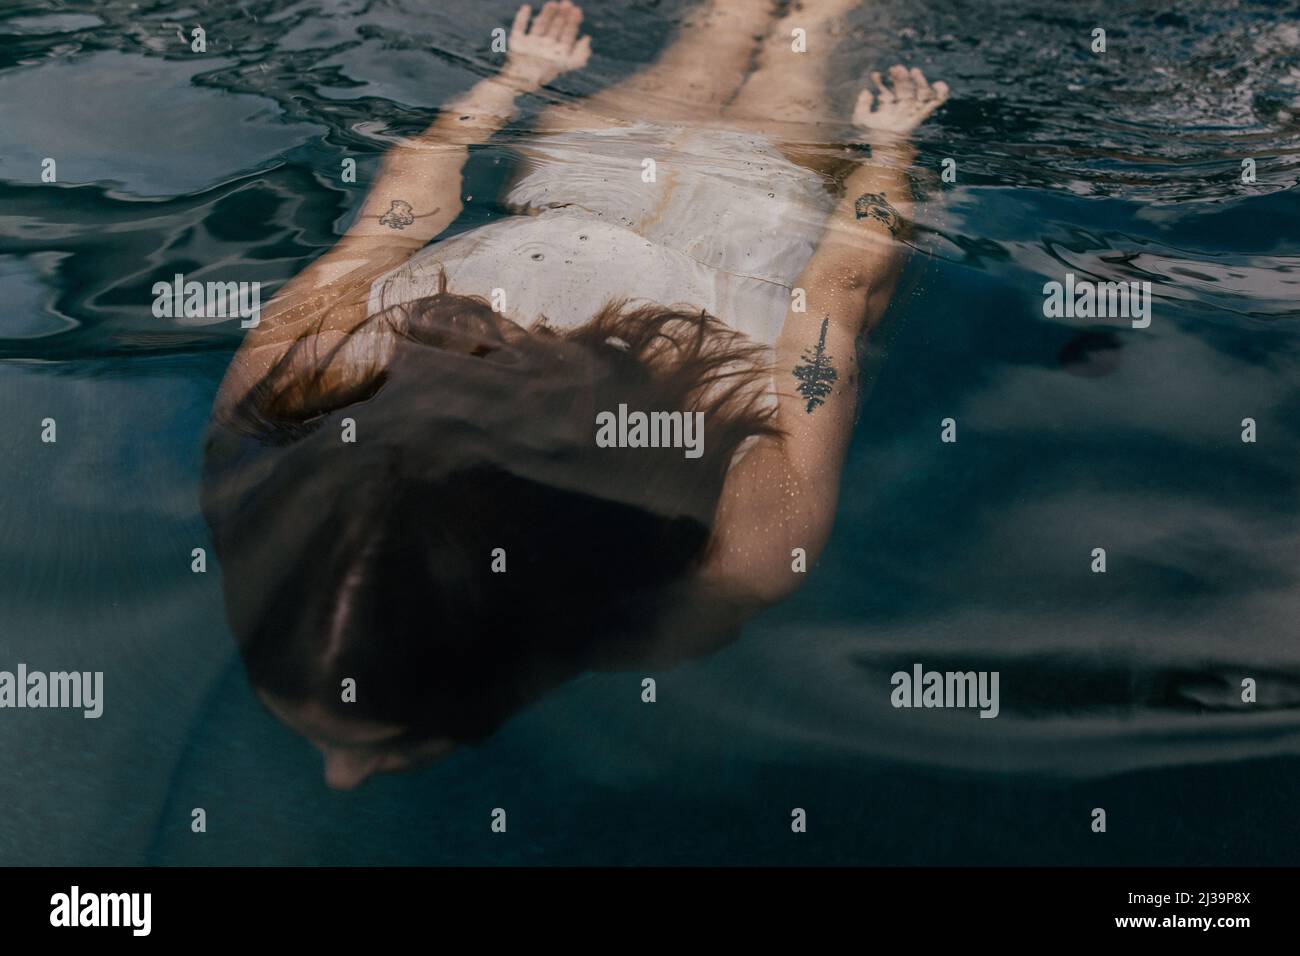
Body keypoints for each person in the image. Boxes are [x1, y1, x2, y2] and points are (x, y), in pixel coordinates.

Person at [201, 0, 950, 789]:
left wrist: (887, 155)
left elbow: (840, 295)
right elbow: (386, 223)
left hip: (760, 201)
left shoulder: (736, 563)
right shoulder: (269, 412)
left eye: (384, 738)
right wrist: (508, 84)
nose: (340, 780)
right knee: (725, 24)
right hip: (591, 164)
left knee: (811, 35)